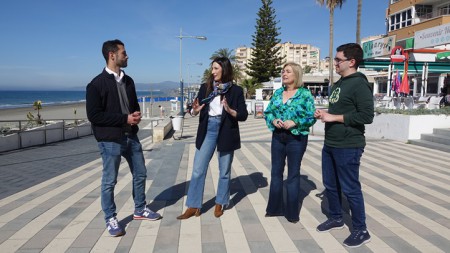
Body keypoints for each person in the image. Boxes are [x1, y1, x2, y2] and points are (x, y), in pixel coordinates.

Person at [86, 39, 162, 237]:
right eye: (124, 53)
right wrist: (124, 118)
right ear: (112, 55)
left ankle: (140, 209)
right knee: (110, 180)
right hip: (110, 140)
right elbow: (94, 116)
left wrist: (135, 115)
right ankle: (110, 218)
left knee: (141, 173)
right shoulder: (95, 84)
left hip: (131, 136)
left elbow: (134, 105)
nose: (127, 56)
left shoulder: (129, 81)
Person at [314, 43, 374, 248]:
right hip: (331, 142)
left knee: (350, 188)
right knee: (330, 184)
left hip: (349, 145)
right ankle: (336, 217)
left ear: (352, 61)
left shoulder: (359, 84)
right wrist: (324, 113)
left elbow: (367, 116)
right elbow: (339, 110)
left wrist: (334, 117)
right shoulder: (340, 83)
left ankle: (361, 229)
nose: (335, 63)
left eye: (338, 60)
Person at [177, 57, 248, 219]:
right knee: (197, 169)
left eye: (216, 68)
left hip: (226, 131)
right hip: (208, 129)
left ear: (224, 69)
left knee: (224, 171)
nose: (213, 72)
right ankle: (194, 206)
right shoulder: (206, 88)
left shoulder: (236, 90)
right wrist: (194, 111)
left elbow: (243, 115)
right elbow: (195, 110)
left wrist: (230, 110)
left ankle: (220, 202)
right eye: (212, 68)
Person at [263, 62, 316, 223]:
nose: (284, 74)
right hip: (278, 136)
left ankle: (292, 213)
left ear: (296, 75)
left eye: (288, 72)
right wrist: (274, 121)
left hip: (296, 138)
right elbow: (268, 112)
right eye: (283, 71)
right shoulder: (278, 93)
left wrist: (295, 122)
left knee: (293, 174)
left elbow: (311, 116)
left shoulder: (305, 94)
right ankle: (274, 209)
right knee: (276, 172)